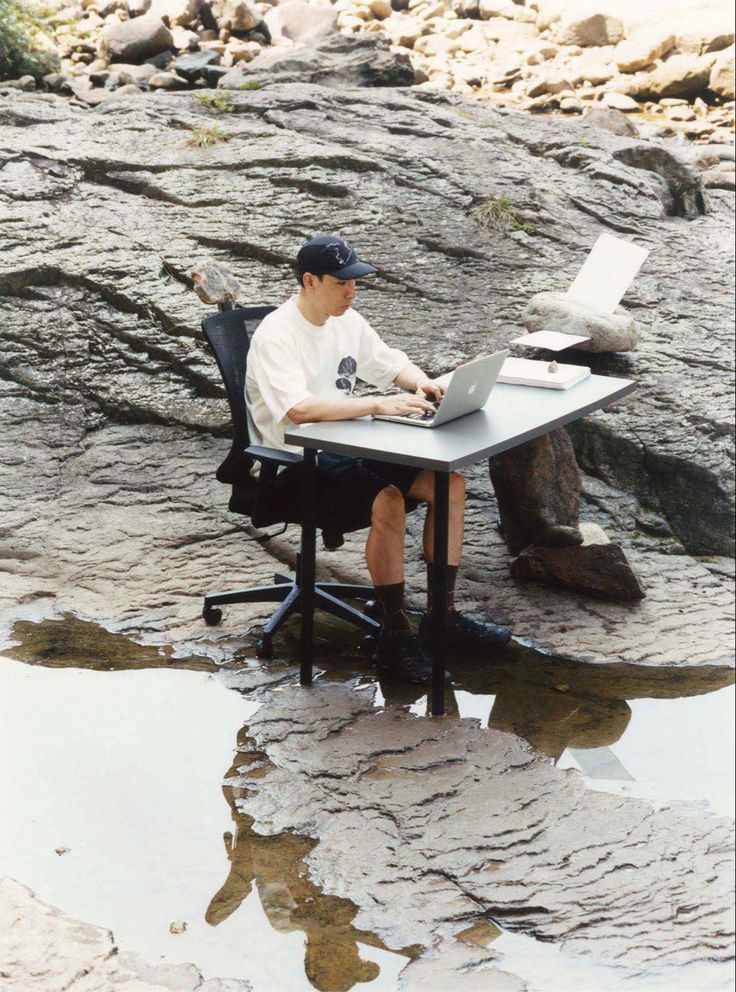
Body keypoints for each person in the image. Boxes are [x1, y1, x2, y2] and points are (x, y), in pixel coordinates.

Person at [245, 234, 511, 684]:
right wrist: (375, 404)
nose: (351, 292)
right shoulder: (277, 335)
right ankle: (394, 637)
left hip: (349, 446)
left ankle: (441, 619)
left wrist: (421, 383)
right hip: (294, 462)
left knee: (449, 484)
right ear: (309, 281)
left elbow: (389, 364)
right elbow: (299, 411)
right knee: (388, 499)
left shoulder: (345, 319)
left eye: (355, 282)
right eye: (341, 283)